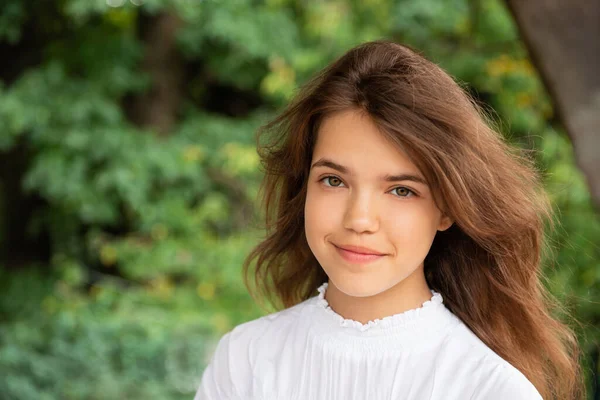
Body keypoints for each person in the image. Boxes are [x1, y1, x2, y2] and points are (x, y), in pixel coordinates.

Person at [194, 40, 584, 400]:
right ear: (304, 188)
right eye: (334, 180)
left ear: (448, 207)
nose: (360, 220)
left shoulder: (490, 390)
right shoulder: (244, 361)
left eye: (401, 190)